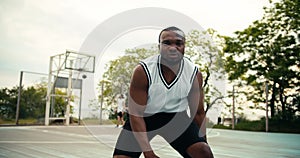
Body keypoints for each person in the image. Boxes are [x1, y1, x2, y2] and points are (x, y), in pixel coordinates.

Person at [113, 26, 214, 158]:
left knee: (203, 153)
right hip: (144, 117)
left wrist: (202, 142)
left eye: (178, 43)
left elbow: (198, 113)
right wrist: (148, 153)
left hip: (176, 118)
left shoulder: (194, 74)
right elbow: (136, 114)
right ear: (159, 46)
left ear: (184, 46)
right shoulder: (143, 71)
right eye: (167, 43)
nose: (173, 47)